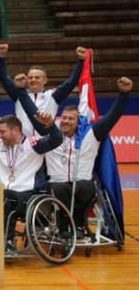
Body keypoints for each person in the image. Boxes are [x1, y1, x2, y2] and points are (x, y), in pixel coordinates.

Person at [17, 76, 133, 238]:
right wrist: (22, 91)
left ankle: (78, 225)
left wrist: (123, 94)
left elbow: (111, 118)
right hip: (57, 182)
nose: (65, 121)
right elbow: (33, 114)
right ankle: (64, 227)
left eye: (71, 118)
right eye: (63, 118)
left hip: (83, 182)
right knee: (60, 188)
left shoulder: (92, 134)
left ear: (79, 121)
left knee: (84, 187)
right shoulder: (52, 134)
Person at [0, 95, 63, 246]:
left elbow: (56, 140)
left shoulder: (33, 145)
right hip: (8, 193)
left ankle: (6, 240)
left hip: (30, 194)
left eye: (2, 132)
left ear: (16, 130)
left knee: (5, 198)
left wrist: (50, 124)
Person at [0, 43, 86, 139]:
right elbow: (4, 79)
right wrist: (1, 57)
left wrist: (81, 61)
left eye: (37, 77)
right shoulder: (20, 94)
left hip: (47, 143)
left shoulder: (52, 96)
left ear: (45, 80)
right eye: (30, 78)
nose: (33, 80)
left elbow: (71, 82)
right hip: (23, 144)